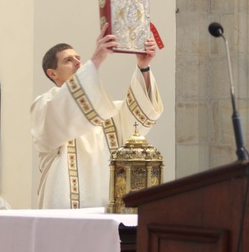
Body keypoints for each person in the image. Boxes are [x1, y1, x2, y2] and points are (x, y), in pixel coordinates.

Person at [31, 23, 163, 209]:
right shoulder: (45, 105)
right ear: (52, 73)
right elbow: (63, 110)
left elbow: (139, 117)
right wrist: (96, 59)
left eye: (79, 58)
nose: (78, 62)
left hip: (106, 204)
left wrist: (143, 67)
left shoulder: (105, 111)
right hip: (66, 207)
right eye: (68, 60)